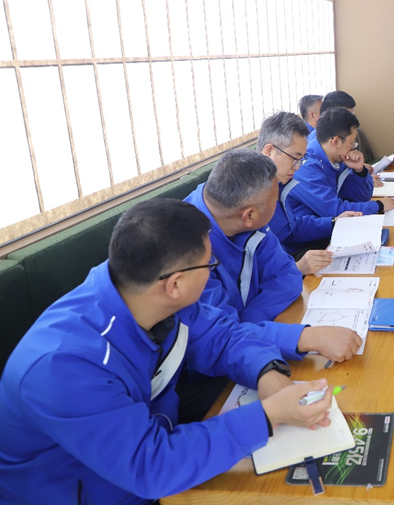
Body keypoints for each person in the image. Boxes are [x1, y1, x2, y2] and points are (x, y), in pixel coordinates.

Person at [0, 198, 335, 504]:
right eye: (210, 264)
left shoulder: (150, 294)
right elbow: (149, 466)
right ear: (175, 283)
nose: (212, 271)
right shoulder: (63, 366)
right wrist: (268, 415)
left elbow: (221, 335)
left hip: (154, 452)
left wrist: (267, 372)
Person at [184, 150, 362, 363]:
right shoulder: (185, 251)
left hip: (244, 341)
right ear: (249, 215)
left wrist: (247, 326)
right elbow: (214, 340)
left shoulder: (242, 217)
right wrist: (301, 337)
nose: (277, 206)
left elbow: (287, 275)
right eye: (276, 201)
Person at [257, 111, 361, 261]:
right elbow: (255, 263)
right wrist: (298, 267)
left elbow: (291, 227)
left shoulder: (279, 183)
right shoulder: (250, 195)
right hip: (285, 262)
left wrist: (333, 222)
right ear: (269, 151)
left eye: (301, 159)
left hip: (288, 259)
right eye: (295, 158)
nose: (298, 167)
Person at [288, 107, 394, 218]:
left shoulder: (338, 158)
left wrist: (359, 172)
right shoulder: (306, 167)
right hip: (313, 226)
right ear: (335, 141)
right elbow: (334, 210)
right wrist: (378, 206)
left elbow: (360, 197)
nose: (353, 148)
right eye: (352, 143)